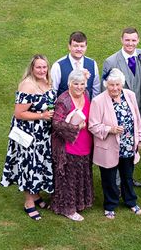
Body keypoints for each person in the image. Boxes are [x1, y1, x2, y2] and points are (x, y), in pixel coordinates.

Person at [1, 55, 55, 221]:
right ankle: (29, 202)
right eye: (38, 67)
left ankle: (36, 195)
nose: (42, 70)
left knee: (39, 164)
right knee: (29, 166)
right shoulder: (27, 85)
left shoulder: (47, 82)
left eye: (44, 67)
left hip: (43, 134)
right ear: (32, 68)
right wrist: (42, 115)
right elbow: (19, 113)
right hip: (28, 134)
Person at [89, 69, 141, 219]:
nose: (115, 88)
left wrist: (139, 138)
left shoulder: (130, 95)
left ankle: (131, 201)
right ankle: (110, 205)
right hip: (108, 146)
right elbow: (92, 126)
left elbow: (137, 120)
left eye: (117, 85)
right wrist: (110, 129)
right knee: (109, 178)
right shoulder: (98, 101)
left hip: (128, 144)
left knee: (127, 175)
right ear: (106, 85)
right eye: (111, 85)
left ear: (122, 84)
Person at [51, 70, 94, 221]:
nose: (79, 87)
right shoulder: (63, 101)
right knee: (68, 177)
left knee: (81, 174)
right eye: (76, 83)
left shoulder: (86, 94)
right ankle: (67, 209)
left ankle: (79, 203)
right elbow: (56, 124)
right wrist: (77, 128)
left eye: (82, 84)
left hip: (85, 143)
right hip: (68, 146)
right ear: (69, 83)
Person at [102, 27, 141, 121]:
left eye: (133, 40)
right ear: (121, 40)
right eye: (127, 40)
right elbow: (105, 89)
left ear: (138, 40)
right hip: (120, 110)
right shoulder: (111, 62)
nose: (130, 43)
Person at [51, 31, 100, 99]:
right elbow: (53, 91)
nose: (79, 49)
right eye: (75, 46)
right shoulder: (58, 66)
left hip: (87, 108)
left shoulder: (92, 64)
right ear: (69, 46)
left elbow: (96, 90)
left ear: (86, 47)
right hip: (66, 108)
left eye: (82, 46)